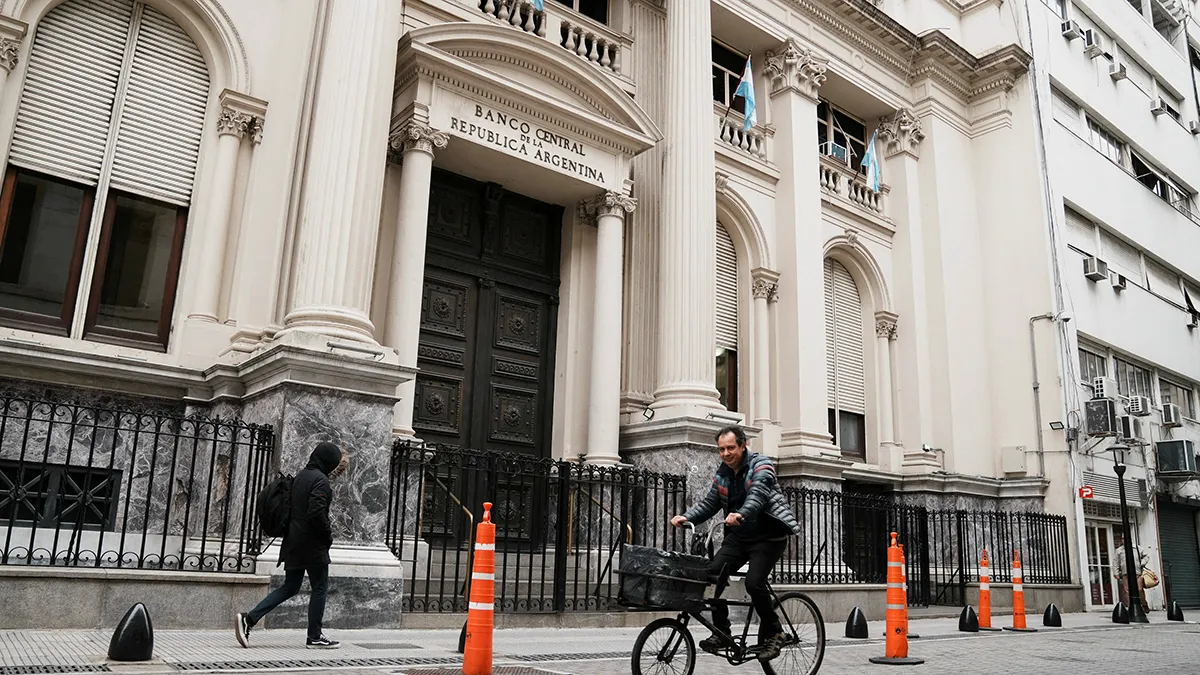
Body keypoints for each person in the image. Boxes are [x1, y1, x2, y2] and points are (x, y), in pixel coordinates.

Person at [670, 426, 801, 661]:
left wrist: (741, 513)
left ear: (743, 445)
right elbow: (710, 503)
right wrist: (687, 517)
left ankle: (776, 633)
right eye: (721, 449)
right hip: (740, 538)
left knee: (753, 583)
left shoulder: (762, 465)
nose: (726, 453)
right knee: (711, 575)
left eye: (731, 448)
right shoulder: (723, 474)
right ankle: (722, 633)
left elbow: (758, 495)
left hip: (768, 537)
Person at [236, 441, 348, 649]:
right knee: (320, 587)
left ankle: (249, 619)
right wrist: (327, 535)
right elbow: (316, 511)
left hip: (292, 541)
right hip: (312, 544)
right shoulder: (321, 481)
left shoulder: (300, 477)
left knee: (290, 586)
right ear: (329, 462)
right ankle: (314, 636)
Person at [1113, 531, 1150, 613]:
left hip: (1137, 572)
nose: (1124, 540)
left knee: (1139, 589)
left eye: (1125, 538)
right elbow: (1115, 562)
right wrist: (1115, 573)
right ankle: (1131, 607)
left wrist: (1142, 563)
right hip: (1126, 573)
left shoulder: (1137, 548)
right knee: (1127, 591)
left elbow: (1146, 556)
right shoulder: (1119, 550)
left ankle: (1144, 604)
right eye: (1122, 539)